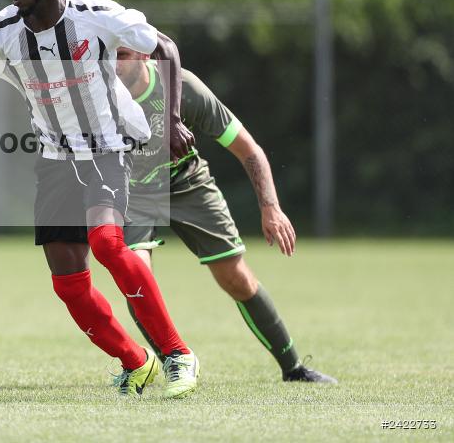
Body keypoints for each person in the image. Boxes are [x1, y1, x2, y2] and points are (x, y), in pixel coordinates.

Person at [0, 0, 199, 398]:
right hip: (54, 159)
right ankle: (136, 362)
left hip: (108, 147)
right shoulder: (2, 31)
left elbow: (166, 47)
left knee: (108, 244)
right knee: (69, 285)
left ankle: (177, 354)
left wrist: (173, 118)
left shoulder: (97, 17)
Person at [115, 48, 336, 383]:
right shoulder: (95, 93)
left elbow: (249, 150)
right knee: (136, 277)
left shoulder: (184, 88)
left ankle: (293, 368)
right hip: (131, 193)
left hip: (186, 182)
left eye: (121, 54)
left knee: (235, 276)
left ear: (143, 53)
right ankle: (177, 363)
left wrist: (270, 207)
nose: (111, 63)